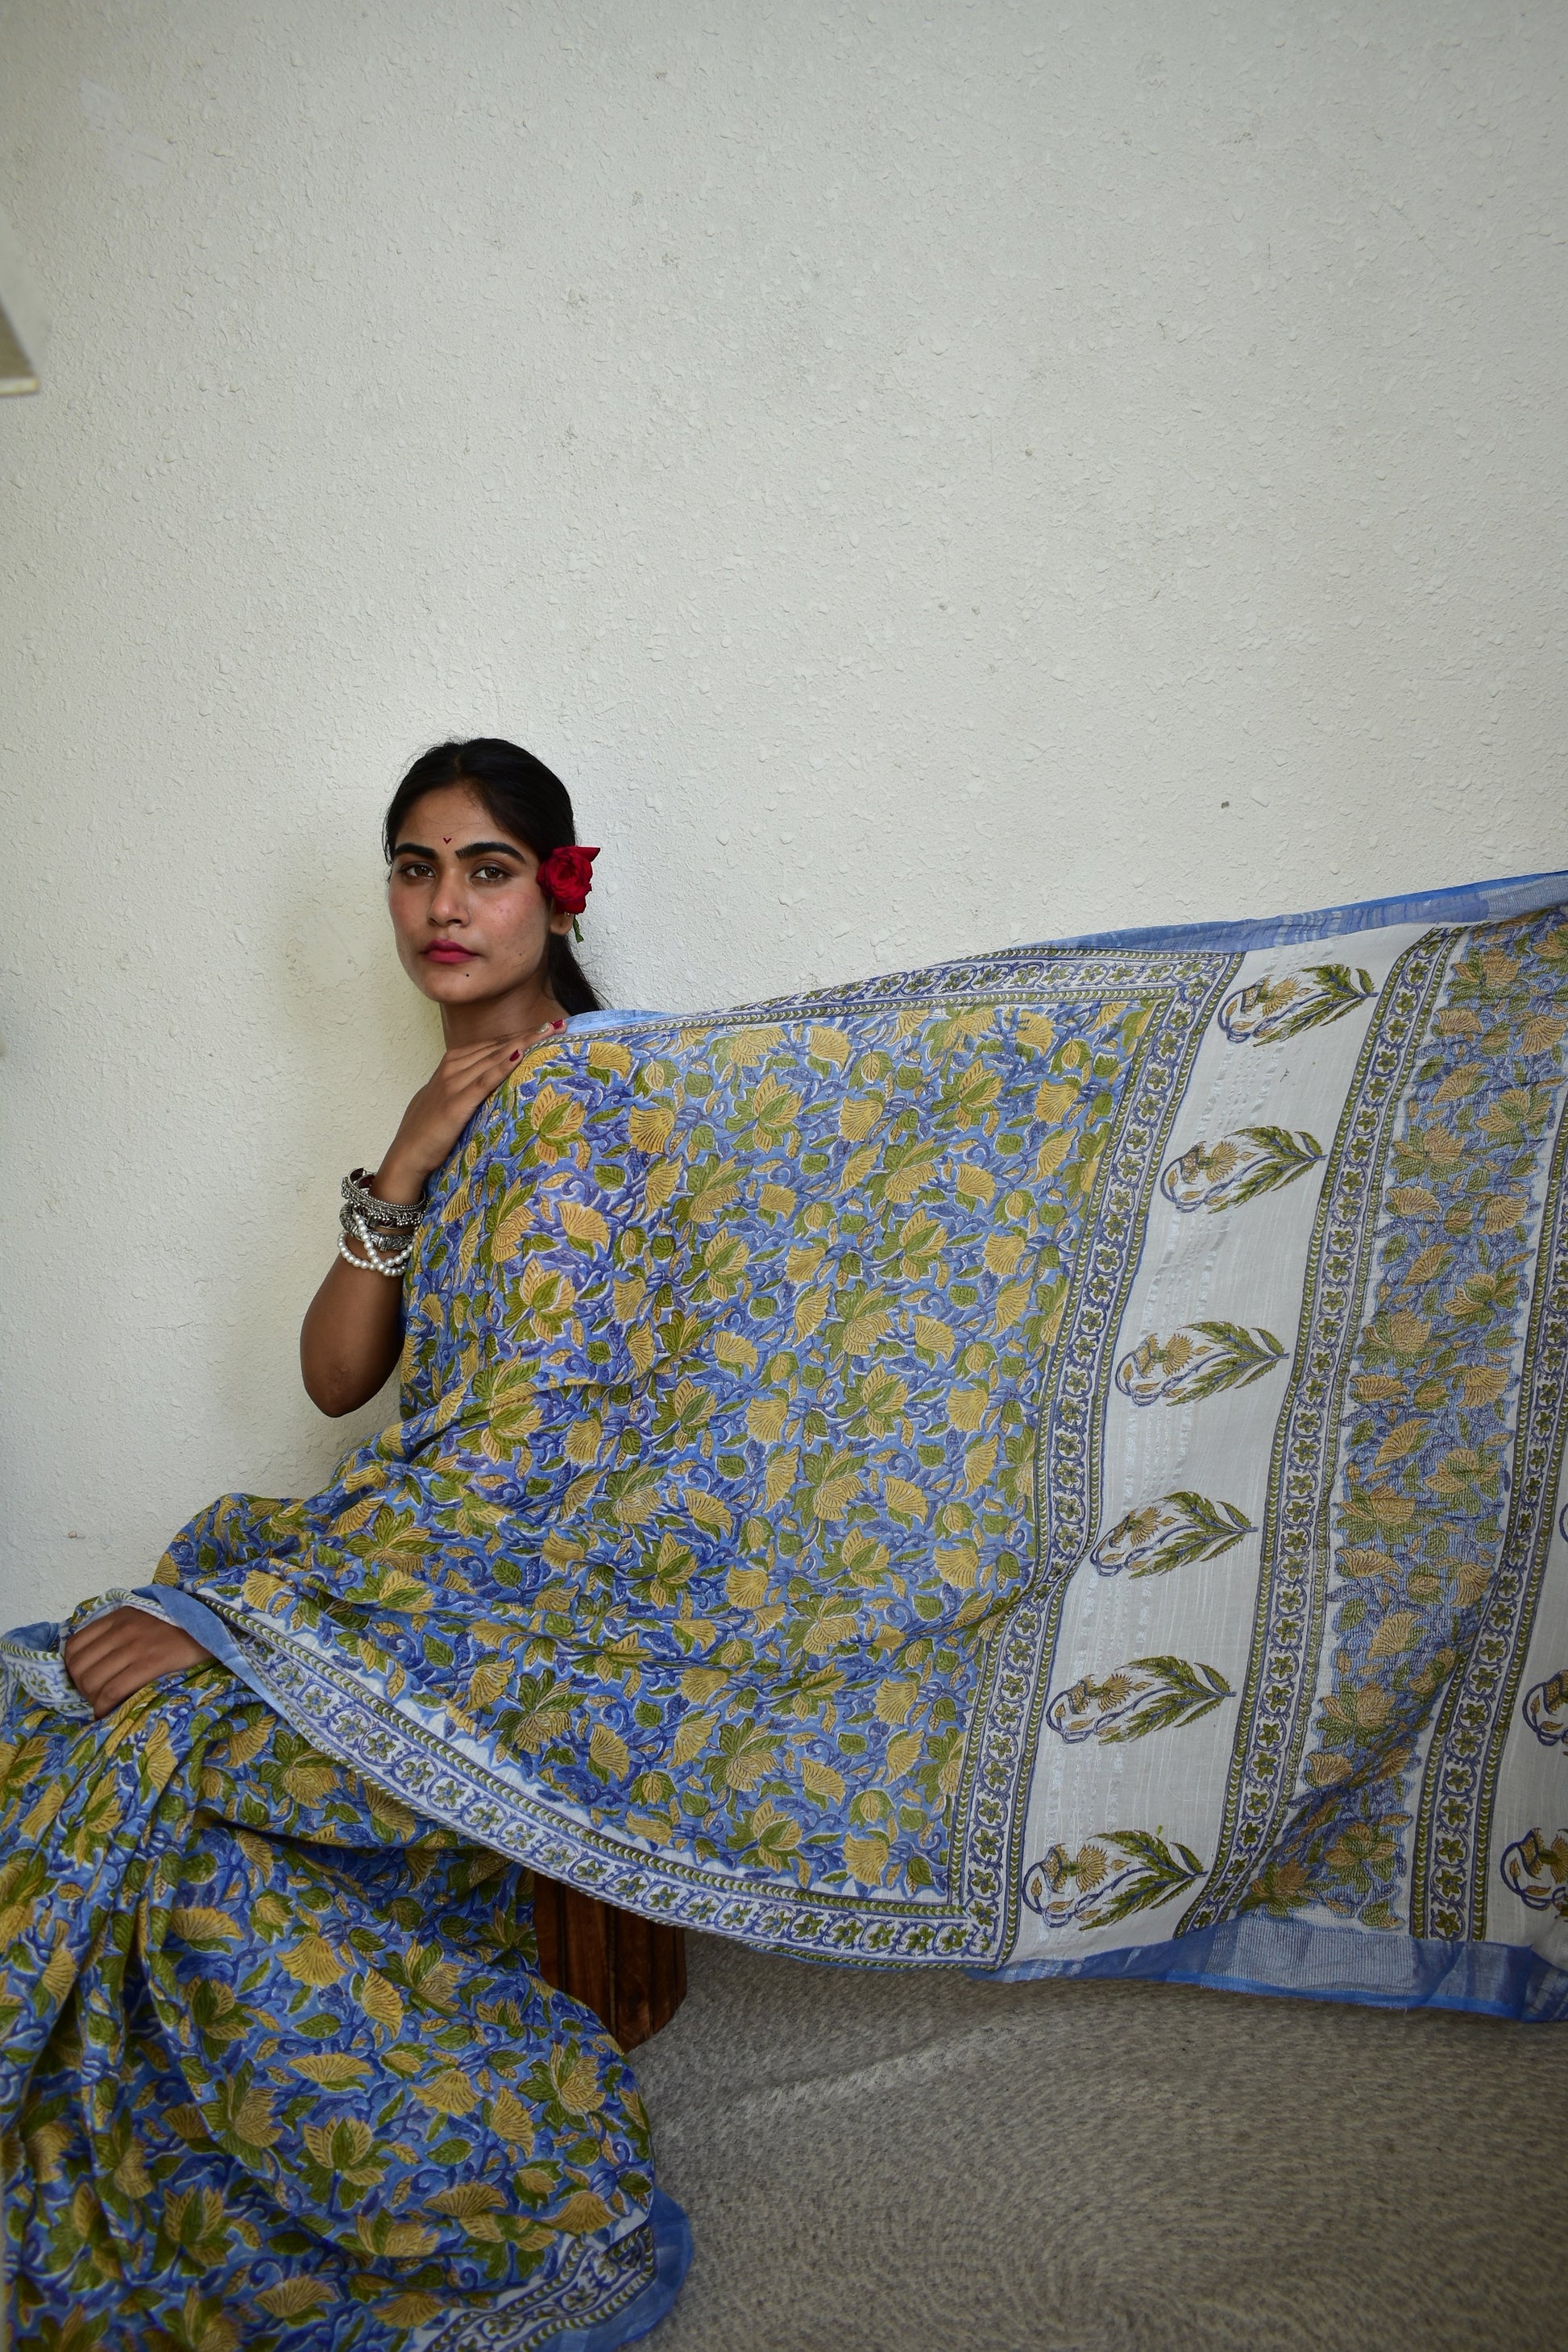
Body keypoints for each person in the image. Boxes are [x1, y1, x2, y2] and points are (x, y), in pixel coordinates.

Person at [1, 740, 689, 2352]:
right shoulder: (457, 1105)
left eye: (488, 866)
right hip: (426, 1531)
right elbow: (338, 1376)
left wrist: (241, 1634)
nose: (443, 904)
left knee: (144, 1745)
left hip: (519, 1586)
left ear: (557, 884)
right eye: (414, 864)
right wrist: (398, 1165)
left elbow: (532, 1480)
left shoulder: (589, 1106)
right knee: (112, 1657)